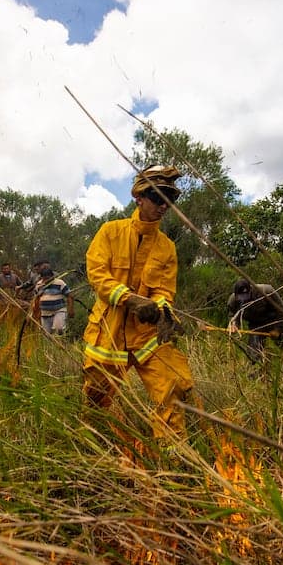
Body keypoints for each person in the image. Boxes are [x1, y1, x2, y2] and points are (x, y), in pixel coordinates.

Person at [81, 165, 194, 445]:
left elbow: (165, 290)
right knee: (95, 400)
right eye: (158, 197)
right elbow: (98, 275)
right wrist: (130, 299)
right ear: (139, 198)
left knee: (172, 387)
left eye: (170, 199)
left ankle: (173, 458)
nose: (164, 205)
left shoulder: (167, 247)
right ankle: (89, 449)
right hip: (109, 333)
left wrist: (161, 309)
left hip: (148, 337)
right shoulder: (110, 232)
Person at [227, 278, 283, 365]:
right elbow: (232, 315)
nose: (244, 299)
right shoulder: (233, 301)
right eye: (241, 297)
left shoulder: (266, 291)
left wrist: (277, 329)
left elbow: (282, 310)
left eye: (246, 296)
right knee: (254, 354)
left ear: (251, 290)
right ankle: (257, 372)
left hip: (273, 321)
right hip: (256, 326)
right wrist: (234, 324)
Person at [35, 266, 74, 335]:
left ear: (52, 276)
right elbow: (36, 300)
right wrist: (37, 312)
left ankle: (61, 341)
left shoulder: (59, 283)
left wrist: (70, 309)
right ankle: (52, 345)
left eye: (48, 278)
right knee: (47, 334)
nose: (46, 280)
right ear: (41, 278)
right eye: (44, 278)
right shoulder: (38, 285)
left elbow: (69, 295)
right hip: (45, 313)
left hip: (59, 311)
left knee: (59, 329)